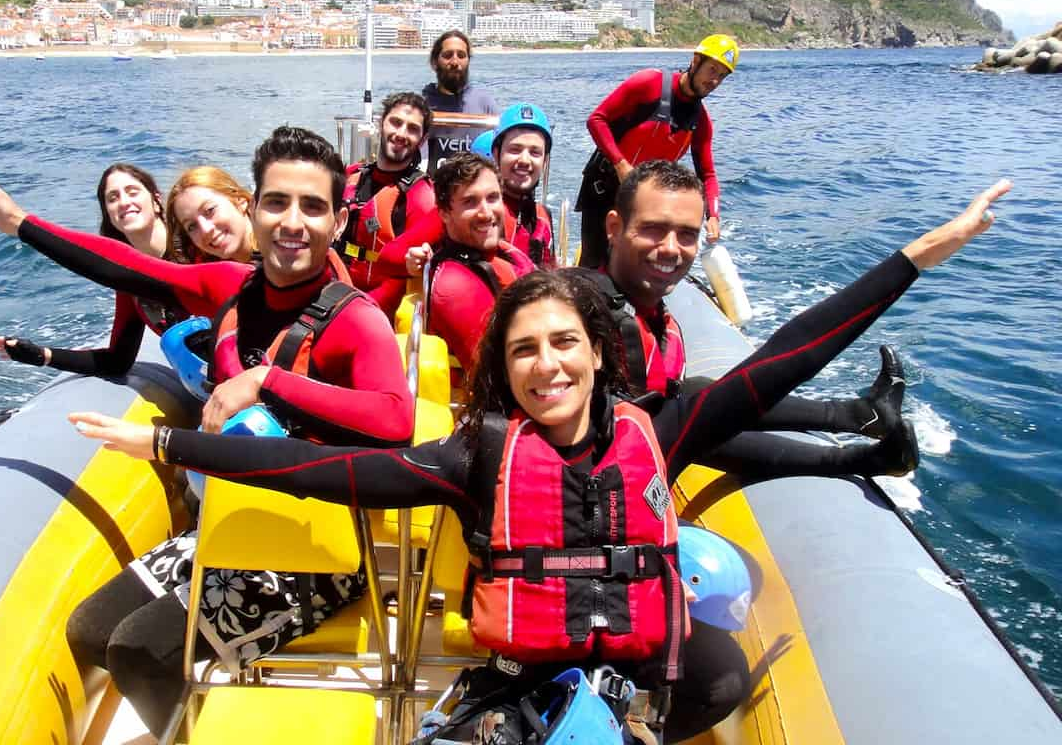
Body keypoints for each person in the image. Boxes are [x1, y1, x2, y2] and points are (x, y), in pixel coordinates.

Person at [71, 176, 1008, 741]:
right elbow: (327, 473)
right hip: (514, 689)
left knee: (719, 670)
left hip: (634, 678)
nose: (546, 364)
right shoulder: (474, 454)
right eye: (524, 350)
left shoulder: (664, 426)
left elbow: (788, 356)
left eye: (564, 344)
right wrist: (164, 440)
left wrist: (918, 256)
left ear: (598, 352)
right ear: (504, 369)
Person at [0, 127, 415, 736]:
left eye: (313, 206)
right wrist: (21, 223)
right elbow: (126, 265)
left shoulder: (354, 321)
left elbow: (396, 419)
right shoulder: (230, 286)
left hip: (315, 554)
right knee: (90, 632)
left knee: (140, 652)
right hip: (228, 523)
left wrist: (267, 381)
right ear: (255, 207)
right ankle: (191, 712)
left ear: (336, 223)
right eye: (278, 202)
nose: (293, 221)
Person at [589, 159, 918, 479]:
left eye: (686, 234)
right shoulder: (580, 311)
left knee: (694, 393)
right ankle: (857, 459)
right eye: (653, 229)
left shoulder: (643, 307)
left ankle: (861, 415)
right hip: (618, 475)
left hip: (650, 427)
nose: (671, 249)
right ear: (614, 228)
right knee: (697, 420)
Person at [0, 163, 195, 376]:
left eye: (132, 192)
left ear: (156, 201)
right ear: (109, 216)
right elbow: (117, 360)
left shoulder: (197, 249)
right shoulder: (128, 286)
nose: (124, 202)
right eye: (112, 198)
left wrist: (19, 223)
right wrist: (42, 355)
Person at [578, 34, 738, 267]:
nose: (714, 81)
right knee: (594, 265)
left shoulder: (700, 121)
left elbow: (708, 175)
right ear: (695, 61)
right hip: (604, 188)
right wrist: (621, 164)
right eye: (712, 70)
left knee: (632, 266)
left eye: (721, 77)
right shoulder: (649, 83)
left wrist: (712, 215)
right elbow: (597, 120)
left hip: (643, 198)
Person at [407, 153, 535, 376]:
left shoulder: (501, 254)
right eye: (470, 202)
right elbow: (495, 376)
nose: (486, 213)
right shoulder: (455, 286)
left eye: (493, 198)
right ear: (445, 214)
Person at [336, 91, 438, 316]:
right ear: (381, 124)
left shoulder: (421, 196)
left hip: (375, 310)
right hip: (332, 290)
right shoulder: (351, 176)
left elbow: (403, 279)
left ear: (421, 140)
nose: (401, 133)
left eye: (412, 129)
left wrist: (356, 311)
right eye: (396, 122)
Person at [422, 30, 499, 174]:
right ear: (434, 62)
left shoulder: (485, 103)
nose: (455, 62)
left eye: (461, 55)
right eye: (447, 55)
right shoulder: (422, 105)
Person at [491, 102, 556, 267]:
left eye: (535, 153)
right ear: (496, 153)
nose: (525, 160)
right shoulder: (481, 214)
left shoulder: (542, 215)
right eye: (515, 150)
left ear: (545, 161)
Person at [164, 165, 257, 264]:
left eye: (210, 210)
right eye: (192, 226)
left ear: (240, 201)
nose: (205, 230)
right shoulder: (200, 267)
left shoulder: (273, 252)